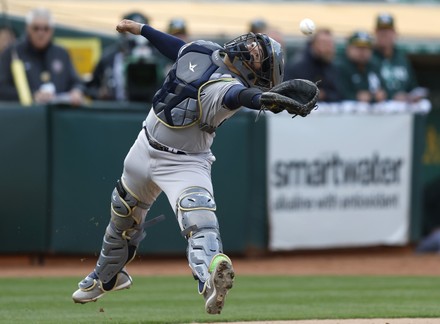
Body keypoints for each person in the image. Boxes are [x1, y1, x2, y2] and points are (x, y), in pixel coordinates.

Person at [71, 18, 285, 315]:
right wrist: (142, 29)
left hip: (185, 162)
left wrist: (263, 98)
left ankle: (211, 278)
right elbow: (179, 49)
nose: (250, 47)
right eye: (254, 43)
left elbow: (240, 96)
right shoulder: (206, 49)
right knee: (122, 216)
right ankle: (106, 277)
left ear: (254, 71)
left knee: (199, 220)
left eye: (257, 54)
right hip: (145, 146)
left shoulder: (227, 88)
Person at [0, 7, 84, 105]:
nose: (41, 33)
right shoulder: (12, 53)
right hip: (25, 114)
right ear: (28, 28)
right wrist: (33, 95)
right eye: (36, 28)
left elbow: (77, 82)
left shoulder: (61, 53)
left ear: (52, 30)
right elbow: (2, 88)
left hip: (59, 114)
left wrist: (76, 91)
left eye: (45, 29)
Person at [85, 12, 163, 102]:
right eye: (130, 32)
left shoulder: (158, 56)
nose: (135, 37)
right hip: (118, 109)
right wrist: (100, 93)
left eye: (139, 33)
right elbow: (90, 87)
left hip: (151, 109)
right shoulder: (109, 57)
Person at [372, 13, 423, 102]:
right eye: (381, 30)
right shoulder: (368, 58)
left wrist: (412, 96)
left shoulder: (402, 58)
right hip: (377, 112)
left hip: (402, 112)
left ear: (395, 33)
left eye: (388, 30)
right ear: (375, 33)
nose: (384, 34)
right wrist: (392, 96)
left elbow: (412, 86)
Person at [284, 28, 342, 102]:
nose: (329, 49)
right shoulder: (299, 65)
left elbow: (339, 93)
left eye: (331, 44)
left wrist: (325, 95)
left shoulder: (330, 65)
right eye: (325, 44)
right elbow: (293, 94)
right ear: (313, 45)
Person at [334, 30, 387, 103]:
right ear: (348, 48)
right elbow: (338, 94)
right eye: (358, 47)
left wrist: (383, 94)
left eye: (366, 48)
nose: (362, 52)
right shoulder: (340, 66)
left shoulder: (374, 65)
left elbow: (384, 90)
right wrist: (355, 97)